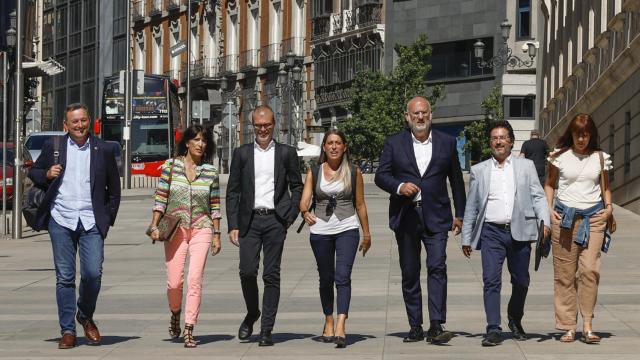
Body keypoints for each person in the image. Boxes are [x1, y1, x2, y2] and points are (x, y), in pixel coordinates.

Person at [27, 103, 121, 349]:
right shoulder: (54, 147)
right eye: (74, 122)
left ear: (90, 121)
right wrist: (46, 173)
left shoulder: (104, 149)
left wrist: (107, 219)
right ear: (65, 126)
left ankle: (85, 315)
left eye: (84, 120)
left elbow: (114, 189)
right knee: (65, 278)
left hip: (91, 221)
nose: (80, 126)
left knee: (93, 274)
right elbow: (34, 172)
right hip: (62, 219)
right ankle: (68, 330)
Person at [375, 96, 466, 344]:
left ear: (431, 115)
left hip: (437, 217)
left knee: (437, 267)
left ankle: (436, 324)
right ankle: (415, 325)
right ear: (407, 117)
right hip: (406, 217)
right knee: (410, 271)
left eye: (424, 112)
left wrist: (460, 214)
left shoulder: (447, 143)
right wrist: (400, 185)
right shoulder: (394, 143)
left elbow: (456, 181)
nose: (420, 117)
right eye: (415, 113)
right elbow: (381, 176)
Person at [461, 121, 550, 347]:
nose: (498, 142)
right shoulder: (479, 170)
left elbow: (539, 196)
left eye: (502, 137)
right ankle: (493, 328)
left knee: (521, 280)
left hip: (520, 231)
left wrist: (545, 222)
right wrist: (466, 237)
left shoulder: (526, 166)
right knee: (491, 280)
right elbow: (472, 206)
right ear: (490, 142)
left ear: (511, 141)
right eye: (494, 138)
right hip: (491, 232)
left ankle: (514, 317)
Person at [226, 105, 303, 346]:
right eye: (258, 125)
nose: (262, 129)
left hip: (275, 220)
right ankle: (252, 313)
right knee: (247, 271)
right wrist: (233, 224)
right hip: (248, 220)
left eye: (267, 124)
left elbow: (297, 186)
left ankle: (267, 330)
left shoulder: (286, 153)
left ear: (274, 125)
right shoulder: (242, 154)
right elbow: (233, 191)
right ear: (252, 126)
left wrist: (290, 215)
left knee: (271, 275)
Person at [146, 125, 222, 348]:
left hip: (202, 226)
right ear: (187, 142)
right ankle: (175, 312)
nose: (200, 144)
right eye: (196, 140)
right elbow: (161, 198)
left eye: (204, 141)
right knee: (174, 282)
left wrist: (217, 234)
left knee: (195, 278)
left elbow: (215, 205)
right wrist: (153, 225)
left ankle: (189, 328)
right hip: (175, 229)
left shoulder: (210, 171)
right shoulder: (171, 167)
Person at [299, 130, 372, 348]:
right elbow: (304, 200)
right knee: (325, 277)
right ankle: (328, 320)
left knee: (343, 276)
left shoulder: (353, 171)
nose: (333, 147)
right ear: (324, 147)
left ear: (344, 147)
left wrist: (367, 234)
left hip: (347, 227)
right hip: (320, 230)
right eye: (329, 143)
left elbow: (360, 204)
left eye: (338, 143)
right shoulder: (314, 171)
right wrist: (305, 212)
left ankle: (341, 323)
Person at [544, 113, 613, 344]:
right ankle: (568, 327)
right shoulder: (559, 156)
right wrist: (548, 209)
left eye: (585, 134)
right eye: (577, 134)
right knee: (565, 274)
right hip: (564, 219)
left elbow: (605, 187)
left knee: (590, 270)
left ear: (591, 135)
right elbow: (550, 184)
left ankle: (588, 325)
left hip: (593, 219)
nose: (581, 139)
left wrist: (609, 208)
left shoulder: (601, 158)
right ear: (571, 134)